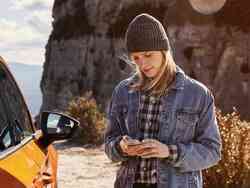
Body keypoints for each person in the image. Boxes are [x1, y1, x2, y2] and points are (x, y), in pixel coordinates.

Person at [104, 13, 221, 188]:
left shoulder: (198, 94)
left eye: (148, 54)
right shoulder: (123, 91)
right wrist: (121, 146)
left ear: (164, 51)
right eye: (136, 58)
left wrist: (169, 151)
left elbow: (212, 152)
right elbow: (109, 145)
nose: (142, 64)